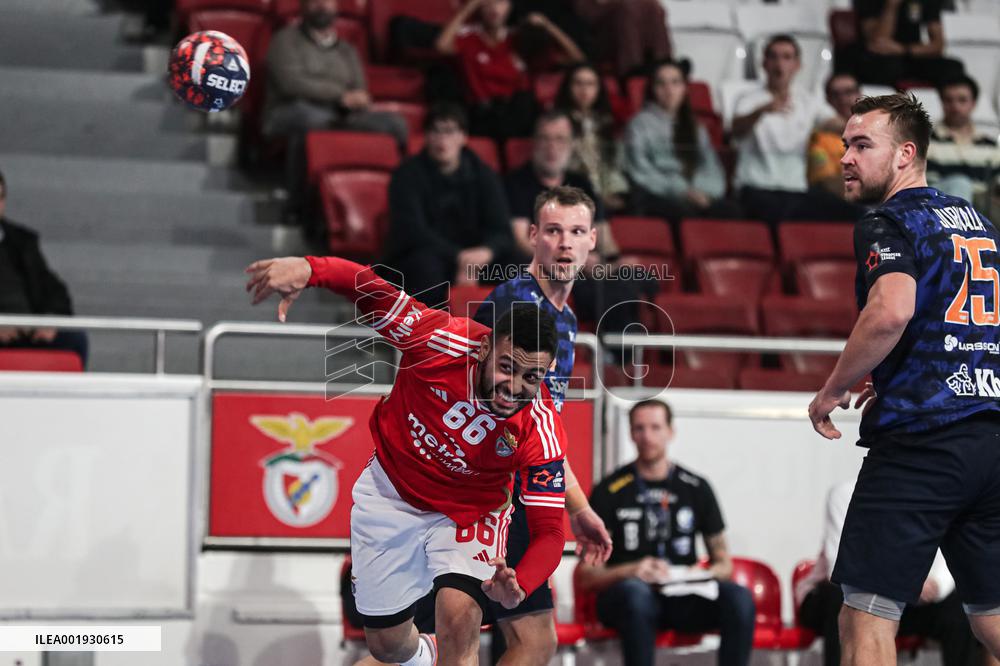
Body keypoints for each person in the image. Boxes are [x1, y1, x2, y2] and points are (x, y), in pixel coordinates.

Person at [246, 257, 570, 666]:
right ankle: (423, 655)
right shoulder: (438, 340)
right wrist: (311, 269)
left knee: (459, 616)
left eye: (531, 377)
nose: (514, 388)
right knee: (387, 646)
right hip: (390, 493)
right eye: (507, 368)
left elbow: (551, 533)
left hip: (469, 514)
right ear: (485, 347)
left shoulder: (540, 427)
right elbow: (374, 290)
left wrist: (520, 583)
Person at [354, 186, 614, 666]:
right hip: (484, 497)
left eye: (576, 232)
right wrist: (572, 508)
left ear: (592, 240)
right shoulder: (518, 306)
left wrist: (576, 509)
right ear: (532, 236)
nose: (564, 244)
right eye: (554, 231)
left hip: (500, 492)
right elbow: (496, 417)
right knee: (460, 638)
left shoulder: (566, 318)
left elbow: (543, 430)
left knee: (510, 640)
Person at [807, 92, 1000, 664]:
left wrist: (835, 386)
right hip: (989, 439)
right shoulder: (980, 221)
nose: (845, 157)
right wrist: (899, 370)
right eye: (845, 145)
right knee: (992, 617)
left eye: (862, 145)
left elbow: (891, 309)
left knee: (864, 615)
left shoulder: (888, 219)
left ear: (904, 155)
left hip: (924, 443)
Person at [578, 399, 756, 666]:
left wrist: (702, 573)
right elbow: (585, 576)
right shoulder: (610, 490)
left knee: (739, 598)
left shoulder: (696, 487)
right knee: (636, 595)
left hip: (683, 594)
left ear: (671, 432)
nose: (647, 436)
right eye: (639, 428)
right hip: (627, 597)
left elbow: (724, 564)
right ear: (630, 433)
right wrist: (632, 570)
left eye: (655, 427)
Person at [797, 481, 985, 666]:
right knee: (842, 597)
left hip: (901, 598)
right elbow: (839, 569)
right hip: (833, 594)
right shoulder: (845, 494)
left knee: (957, 609)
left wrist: (934, 586)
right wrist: (904, 583)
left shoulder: (928, 498)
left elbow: (947, 554)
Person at [263, 0, 408, 225]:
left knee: (395, 124)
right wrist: (339, 95)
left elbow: (360, 88)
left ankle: (398, 208)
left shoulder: (347, 50)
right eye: (315, 1)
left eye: (327, 1)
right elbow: (291, 84)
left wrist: (357, 99)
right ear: (302, 6)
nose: (322, 5)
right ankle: (296, 206)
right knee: (311, 120)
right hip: (290, 111)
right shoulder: (284, 40)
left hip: (341, 115)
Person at [382, 103, 514, 309]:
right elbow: (411, 231)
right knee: (425, 268)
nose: (442, 139)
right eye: (435, 131)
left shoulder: (484, 175)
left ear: (463, 136)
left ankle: (514, 334)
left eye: (450, 131)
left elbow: (501, 230)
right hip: (428, 255)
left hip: (476, 258)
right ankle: (427, 336)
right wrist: (459, 257)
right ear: (426, 136)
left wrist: (486, 252)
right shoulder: (406, 175)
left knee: (518, 265)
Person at [731, 35, 846, 225]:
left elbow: (834, 124)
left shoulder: (807, 101)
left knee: (854, 214)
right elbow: (735, 131)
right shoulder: (748, 99)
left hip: (796, 190)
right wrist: (761, 111)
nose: (780, 64)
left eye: (787, 57)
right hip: (756, 188)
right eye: (774, 57)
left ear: (797, 65)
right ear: (764, 63)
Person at [434, 0, 584, 140]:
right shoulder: (468, 36)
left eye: (500, 2)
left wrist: (547, 25)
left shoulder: (521, 39)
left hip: (518, 116)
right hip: (482, 116)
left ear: (509, 6)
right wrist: (468, 8)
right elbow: (441, 47)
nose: (494, 8)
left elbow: (575, 57)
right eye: (488, 2)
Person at [624, 59, 740, 223]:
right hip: (660, 195)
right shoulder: (638, 125)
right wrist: (682, 191)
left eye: (675, 83)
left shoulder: (696, 128)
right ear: (652, 89)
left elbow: (713, 169)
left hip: (700, 194)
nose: (669, 90)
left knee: (732, 211)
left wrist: (704, 192)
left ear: (684, 88)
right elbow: (640, 170)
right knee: (682, 213)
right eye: (661, 84)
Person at [0, 169, 87, 366]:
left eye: (0, 197)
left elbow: (54, 289)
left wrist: (50, 318)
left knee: (74, 339)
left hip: (27, 331)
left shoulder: (22, 242)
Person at [505, 110, 618, 262]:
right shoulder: (516, 183)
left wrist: (614, 263)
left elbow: (604, 237)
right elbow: (521, 243)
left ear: (571, 144)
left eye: (560, 139)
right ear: (534, 142)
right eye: (545, 138)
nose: (552, 147)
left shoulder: (582, 184)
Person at [553, 62, 629, 212]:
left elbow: (611, 165)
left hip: (607, 192)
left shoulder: (605, 122)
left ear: (599, 89)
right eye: (578, 83)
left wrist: (613, 193)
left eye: (590, 84)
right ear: (568, 87)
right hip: (572, 192)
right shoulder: (557, 122)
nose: (584, 90)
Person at [927, 75, 1000, 212]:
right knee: (960, 184)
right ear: (942, 102)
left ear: (973, 103)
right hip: (939, 206)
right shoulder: (927, 141)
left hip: (983, 209)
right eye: (949, 100)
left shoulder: (989, 145)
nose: (955, 106)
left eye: (962, 100)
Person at [854, 0, 964, 89]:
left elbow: (938, 46)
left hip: (911, 56)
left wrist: (904, 50)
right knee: (888, 67)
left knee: (953, 67)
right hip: (880, 60)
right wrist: (892, 5)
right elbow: (878, 42)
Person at [571, 0, 672, 79]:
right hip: (591, 35)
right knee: (627, 9)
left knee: (652, 6)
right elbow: (586, 12)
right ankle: (631, 71)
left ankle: (664, 65)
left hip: (617, 19)